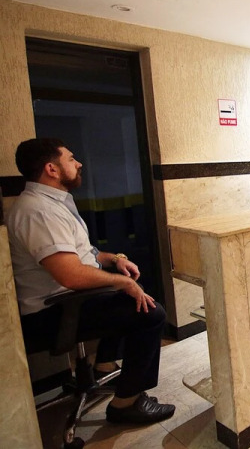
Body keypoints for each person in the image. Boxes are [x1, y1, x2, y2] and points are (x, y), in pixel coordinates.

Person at [6, 137, 175, 424]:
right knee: (150, 313)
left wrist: (116, 259)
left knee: (130, 292)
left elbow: (86, 254)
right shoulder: (39, 212)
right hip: (53, 311)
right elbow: (70, 273)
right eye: (71, 159)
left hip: (70, 301)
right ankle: (126, 404)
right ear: (51, 169)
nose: (79, 163)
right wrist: (122, 283)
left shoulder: (54, 203)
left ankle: (104, 366)